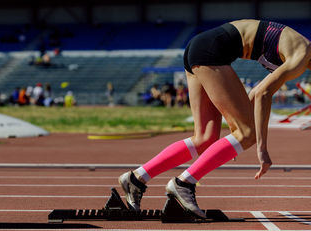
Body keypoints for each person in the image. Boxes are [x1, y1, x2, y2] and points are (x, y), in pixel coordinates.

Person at [118, 19, 311, 219]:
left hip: (200, 47)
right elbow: (263, 94)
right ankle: (184, 184)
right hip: (211, 52)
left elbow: (255, 93)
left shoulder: (299, 51)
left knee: (205, 138)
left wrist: (233, 142)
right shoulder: (302, 55)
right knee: (248, 134)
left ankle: (137, 178)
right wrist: (260, 148)